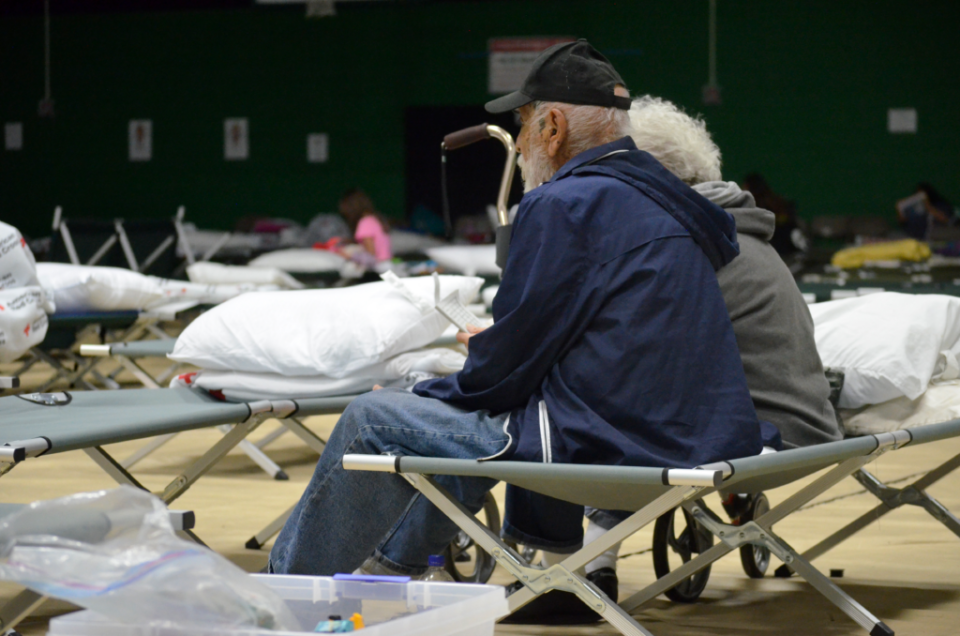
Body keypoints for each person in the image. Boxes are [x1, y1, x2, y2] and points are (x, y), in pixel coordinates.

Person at [267, 41, 774, 597]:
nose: (525, 139)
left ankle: (276, 591)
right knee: (460, 428)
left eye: (526, 123)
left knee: (371, 418)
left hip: (612, 445)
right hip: (696, 441)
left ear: (553, 127)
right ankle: (390, 574)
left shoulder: (564, 203)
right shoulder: (670, 201)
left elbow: (504, 370)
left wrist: (441, 384)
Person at [525, 95, 845, 625]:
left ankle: (579, 565)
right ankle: (586, 561)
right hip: (805, 428)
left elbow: (629, 369)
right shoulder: (739, 232)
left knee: (584, 408)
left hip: (757, 437)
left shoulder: (683, 244)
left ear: (649, 179)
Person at [338, 188, 392, 262]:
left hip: (379, 269)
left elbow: (371, 255)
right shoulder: (374, 219)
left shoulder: (365, 223)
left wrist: (349, 256)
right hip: (387, 266)